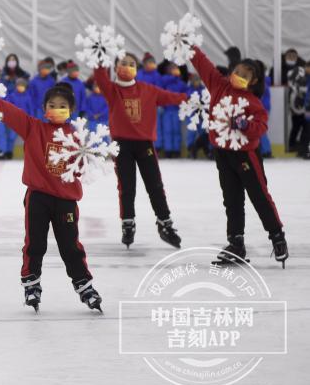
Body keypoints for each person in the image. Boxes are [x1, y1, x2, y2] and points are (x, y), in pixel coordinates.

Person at [0, 83, 103, 313]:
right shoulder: (34, 128)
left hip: (66, 201)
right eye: (52, 105)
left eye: (62, 106)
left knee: (70, 245)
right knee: (35, 243)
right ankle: (31, 283)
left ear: (71, 109)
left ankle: (84, 285)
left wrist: (87, 156)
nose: (57, 109)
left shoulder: (77, 137)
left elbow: (85, 167)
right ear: (44, 108)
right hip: (38, 198)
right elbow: (11, 114)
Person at [188, 46, 288, 267]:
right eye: (237, 72)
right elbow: (202, 63)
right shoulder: (218, 84)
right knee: (232, 200)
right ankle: (236, 244)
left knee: (259, 196)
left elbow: (260, 127)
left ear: (252, 81)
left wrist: (244, 124)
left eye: (245, 76)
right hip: (222, 154)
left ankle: (277, 235)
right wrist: (188, 44)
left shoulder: (253, 102)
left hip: (245, 156)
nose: (239, 77)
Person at [93, 53, 187, 249]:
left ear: (137, 69)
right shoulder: (112, 90)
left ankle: (165, 223)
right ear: (116, 67)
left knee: (155, 186)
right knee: (127, 187)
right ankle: (128, 223)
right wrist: (100, 55)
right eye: (123, 64)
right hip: (122, 145)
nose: (127, 67)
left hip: (145, 145)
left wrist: (192, 99)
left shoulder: (148, 90)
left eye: (131, 64)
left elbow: (173, 97)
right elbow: (100, 76)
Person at [158, 62, 188, 157]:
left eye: (176, 68)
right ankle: (168, 150)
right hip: (167, 110)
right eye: (172, 68)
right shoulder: (163, 81)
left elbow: (186, 93)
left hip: (177, 110)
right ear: (168, 70)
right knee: (167, 130)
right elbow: (159, 92)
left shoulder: (181, 82)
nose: (175, 70)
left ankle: (176, 150)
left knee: (176, 130)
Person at [4, 77, 34, 158]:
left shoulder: (28, 97)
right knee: (11, 137)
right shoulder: (12, 96)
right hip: (14, 120)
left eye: (22, 85)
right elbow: (8, 107)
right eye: (19, 85)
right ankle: (8, 153)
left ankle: (30, 153)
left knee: (28, 137)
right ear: (16, 86)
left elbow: (31, 110)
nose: (20, 87)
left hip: (24, 121)